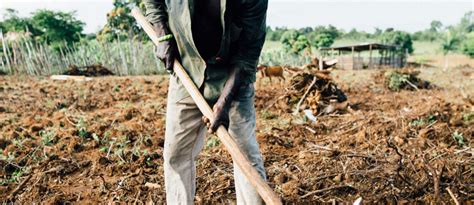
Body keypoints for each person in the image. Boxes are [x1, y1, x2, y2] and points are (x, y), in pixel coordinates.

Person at [143, 0, 269, 204]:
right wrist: (163, 34)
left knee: (245, 154)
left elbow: (247, 54)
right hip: (187, 70)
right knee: (176, 153)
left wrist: (224, 102)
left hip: (233, 76)